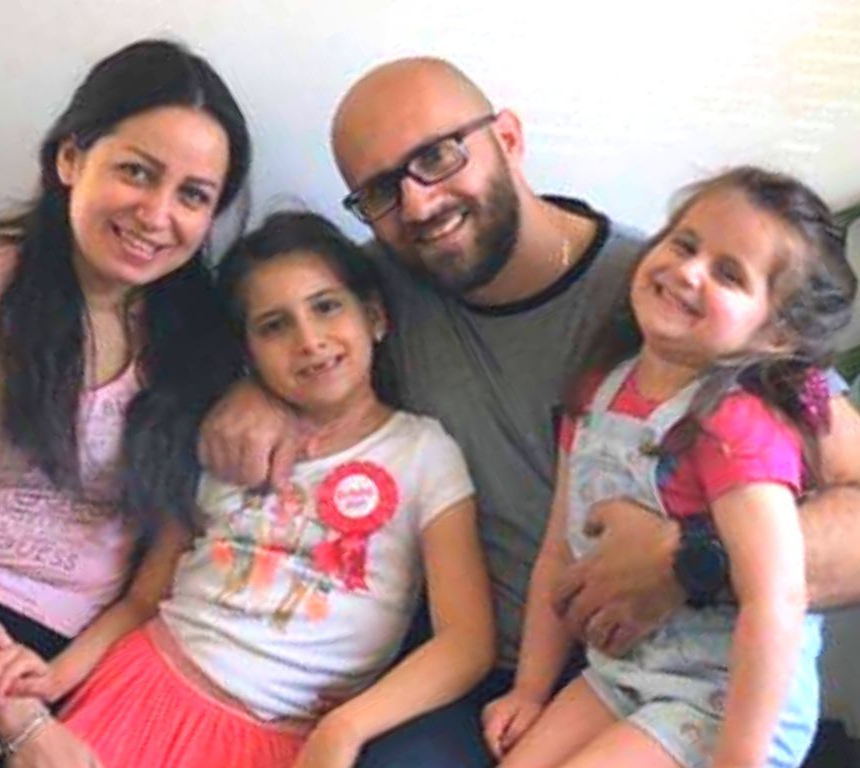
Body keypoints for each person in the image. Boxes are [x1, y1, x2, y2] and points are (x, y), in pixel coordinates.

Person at [198, 57, 860, 766]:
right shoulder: (383, 292)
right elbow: (287, 325)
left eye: (438, 155)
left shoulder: (678, 304)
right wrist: (252, 389)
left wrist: (690, 559)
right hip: (497, 672)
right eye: (382, 190)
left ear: (508, 137)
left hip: (694, 679)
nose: (419, 204)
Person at [0, 39, 250, 768]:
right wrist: (26, 726)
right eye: (136, 172)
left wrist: (46, 686)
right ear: (69, 160)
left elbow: (157, 572)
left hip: (37, 634)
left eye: (193, 195)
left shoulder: (200, 352)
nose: (157, 214)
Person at [0, 211, 495, 768]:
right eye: (275, 325)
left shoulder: (422, 454)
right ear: (246, 351)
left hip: (284, 742)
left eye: (326, 306)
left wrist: (348, 727)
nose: (310, 340)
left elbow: (466, 642)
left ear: (374, 316)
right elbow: (145, 599)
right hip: (141, 694)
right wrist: (54, 679)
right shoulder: (224, 441)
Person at [484, 167, 856, 768]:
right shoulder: (597, 390)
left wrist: (738, 759)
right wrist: (529, 690)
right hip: (623, 675)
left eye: (729, 274)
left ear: (776, 333)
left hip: (724, 703)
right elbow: (560, 551)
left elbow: (778, 598)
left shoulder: (738, 426)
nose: (688, 271)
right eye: (685, 244)